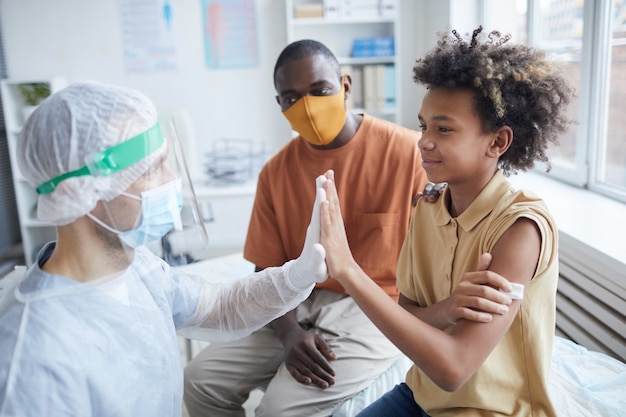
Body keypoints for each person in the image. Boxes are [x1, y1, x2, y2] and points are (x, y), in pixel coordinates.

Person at [0, 81, 329, 417]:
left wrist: (298, 274)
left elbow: (220, 307)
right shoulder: (32, 360)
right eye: (152, 169)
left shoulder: (136, 268)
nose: (171, 180)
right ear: (84, 193)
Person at [319, 26, 574, 416]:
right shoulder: (428, 207)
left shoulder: (520, 229)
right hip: (421, 397)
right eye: (423, 126)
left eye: (444, 128)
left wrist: (348, 270)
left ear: (497, 142)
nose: (423, 140)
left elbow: (454, 368)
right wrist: (445, 309)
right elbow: (406, 316)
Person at [183, 39, 436, 417]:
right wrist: (288, 334)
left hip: (374, 304)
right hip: (295, 300)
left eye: (320, 90)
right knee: (199, 380)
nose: (308, 107)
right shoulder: (275, 173)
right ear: (280, 105)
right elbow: (266, 267)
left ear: (346, 86)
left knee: (278, 410)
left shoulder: (408, 154)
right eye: (291, 98)